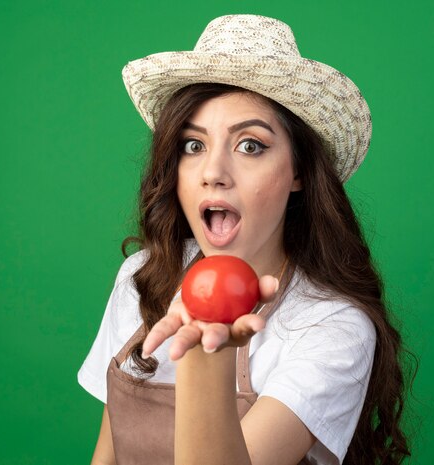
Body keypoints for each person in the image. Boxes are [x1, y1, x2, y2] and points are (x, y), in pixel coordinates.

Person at [78, 14, 413, 465]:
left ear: (297, 171)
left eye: (250, 145)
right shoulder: (143, 275)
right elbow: (109, 454)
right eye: (193, 145)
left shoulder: (332, 325)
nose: (213, 172)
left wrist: (204, 357)